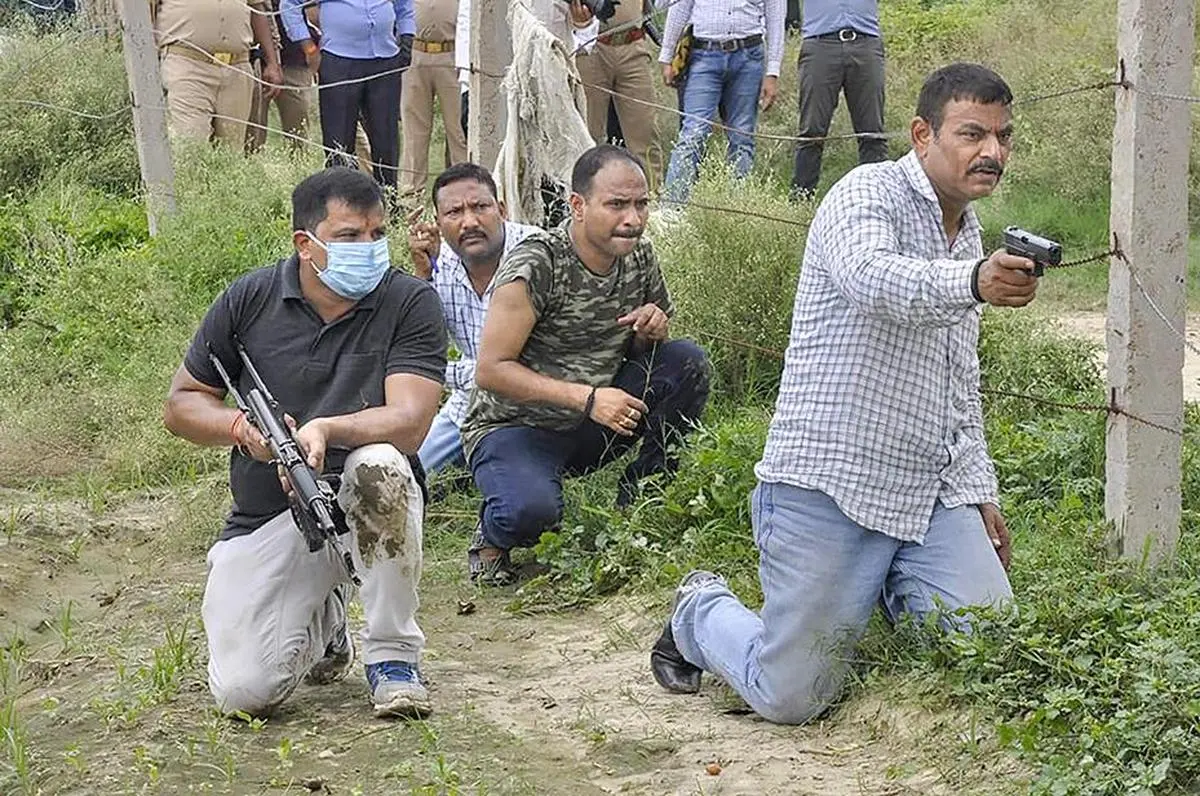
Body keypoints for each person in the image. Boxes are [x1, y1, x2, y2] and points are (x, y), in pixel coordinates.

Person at [650, 63, 1039, 723]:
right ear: (922, 135)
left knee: (991, 648)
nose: (992, 152)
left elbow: (959, 379)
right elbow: (873, 279)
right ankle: (698, 612)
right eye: (973, 134)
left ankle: (881, 583)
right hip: (832, 485)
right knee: (791, 696)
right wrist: (973, 282)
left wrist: (979, 490)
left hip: (927, 491)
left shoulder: (966, 230)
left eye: (1003, 137)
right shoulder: (865, 194)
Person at [163, 167, 448, 719]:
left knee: (381, 464)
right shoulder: (250, 298)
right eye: (348, 236)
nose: (368, 248)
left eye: (377, 233)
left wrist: (326, 429)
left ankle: (393, 658)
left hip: (365, 504)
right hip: (270, 513)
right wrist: (242, 430)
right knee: (244, 694)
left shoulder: (409, 300)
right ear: (305, 243)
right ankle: (327, 620)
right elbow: (181, 404)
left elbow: (411, 421)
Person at [462, 145, 711, 586]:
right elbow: (491, 370)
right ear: (578, 206)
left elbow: (641, 356)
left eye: (641, 204)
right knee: (532, 514)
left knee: (686, 362)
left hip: (595, 420)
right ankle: (493, 533)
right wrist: (589, 399)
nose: (632, 219)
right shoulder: (538, 262)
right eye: (616, 205)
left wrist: (649, 331)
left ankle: (642, 501)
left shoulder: (639, 256)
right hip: (516, 426)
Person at [407, 163, 540, 476]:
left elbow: (535, 364)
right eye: (454, 212)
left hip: (535, 404)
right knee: (410, 474)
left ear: (502, 210)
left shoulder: (536, 253)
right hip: (469, 404)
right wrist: (423, 277)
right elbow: (418, 352)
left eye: (480, 207)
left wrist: (455, 373)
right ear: (438, 222)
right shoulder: (439, 262)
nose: (469, 222)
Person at [658, 0, 785, 203]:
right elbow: (680, 6)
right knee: (693, 133)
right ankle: (673, 209)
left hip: (748, 55)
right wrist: (666, 55)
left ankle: (736, 209)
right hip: (704, 54)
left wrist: (772, 72)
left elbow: (776, 15)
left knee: (742, 137)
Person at [282, 0, 415, 192]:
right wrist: (309, 47)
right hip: (339, 60)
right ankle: (342, 200)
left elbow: (405, 5)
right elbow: (289, 4)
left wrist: (407, 35)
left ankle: (388, 200)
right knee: (339, 141)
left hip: (385, 58)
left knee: (386, 137)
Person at [791, 0, 888, 197]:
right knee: (812, 131)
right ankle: (801, 199)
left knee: (872, 132)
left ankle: (877, 198)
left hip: (866, 42)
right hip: (820, 44)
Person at [152, 0, 283, 146]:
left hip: (237, 66)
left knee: (232, 148)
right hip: (187, 63)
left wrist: (272, 62)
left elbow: (257, 11)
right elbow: (144, 14)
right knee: (191, 142)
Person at [577, 0, 660, 182]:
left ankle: (651, 195)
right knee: (587, 135)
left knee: (645, 135)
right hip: (590, 44)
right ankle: (585, 195)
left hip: (633, 41)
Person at [400, 0, 468, 202]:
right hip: (416, 53)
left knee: (458, 130)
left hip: (452, 55)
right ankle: (411, 196)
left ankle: (462, 190)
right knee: (414, 131)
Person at [246, 0, 315, 153]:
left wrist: (313, 51)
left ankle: (300, 167)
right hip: (252, 58)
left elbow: (316, 11)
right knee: (251, 134)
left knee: (298, 134)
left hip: (295, 57)